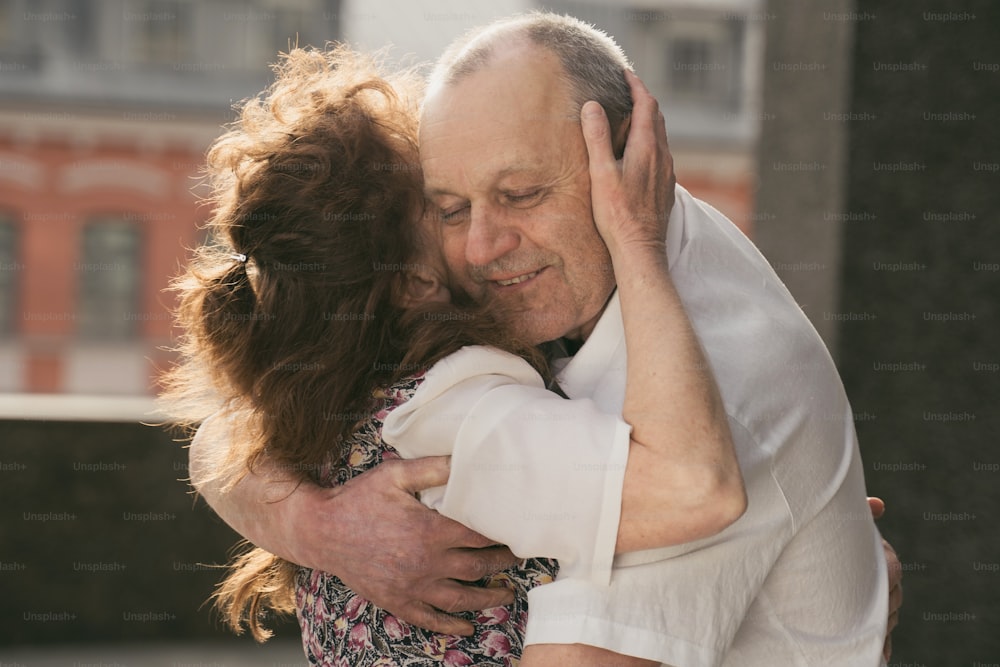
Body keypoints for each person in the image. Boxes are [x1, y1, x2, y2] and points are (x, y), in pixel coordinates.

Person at [190, 12, 902, 665]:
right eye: (449, 208)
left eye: (522, 194)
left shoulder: (705, 400)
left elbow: (699, 489)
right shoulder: (568, 278)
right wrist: (323, 526)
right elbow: (223, 430)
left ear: (631, 164)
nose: (481, 245)